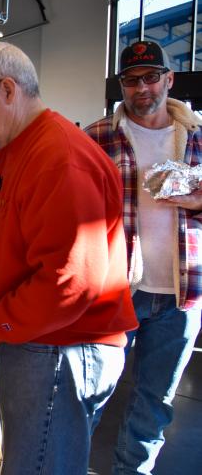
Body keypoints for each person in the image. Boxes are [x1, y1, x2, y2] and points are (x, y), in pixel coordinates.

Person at [0, 41, 137, 474]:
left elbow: (69, 282)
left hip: (64, 348)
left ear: (8, 89)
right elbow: (8, 241)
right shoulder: (6, 160)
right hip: (39, 342)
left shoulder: (61, 159)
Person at [85, 40, 202, 474]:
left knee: (155, 403)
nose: (142, 88)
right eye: (132, 80)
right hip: (116, 289)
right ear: (121, 86)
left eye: (151, 77)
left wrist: (196, 203)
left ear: (169, 80)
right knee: (91, 392)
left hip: (181, 294)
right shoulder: (97, 137)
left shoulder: (196, 138)